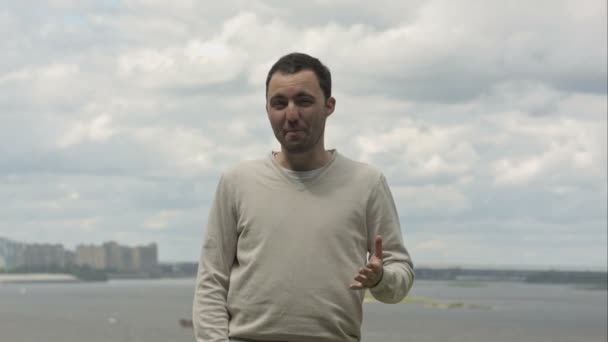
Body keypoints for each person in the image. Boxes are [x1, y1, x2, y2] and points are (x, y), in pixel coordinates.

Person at [193, 52, 414, 342]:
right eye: (279, 103)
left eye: (304, 101)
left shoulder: (367, 183)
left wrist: (381, 279)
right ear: (267, 109)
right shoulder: (237, 181)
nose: (291, 114)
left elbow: (400, 271)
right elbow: (211, 281)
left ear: (329, 105)